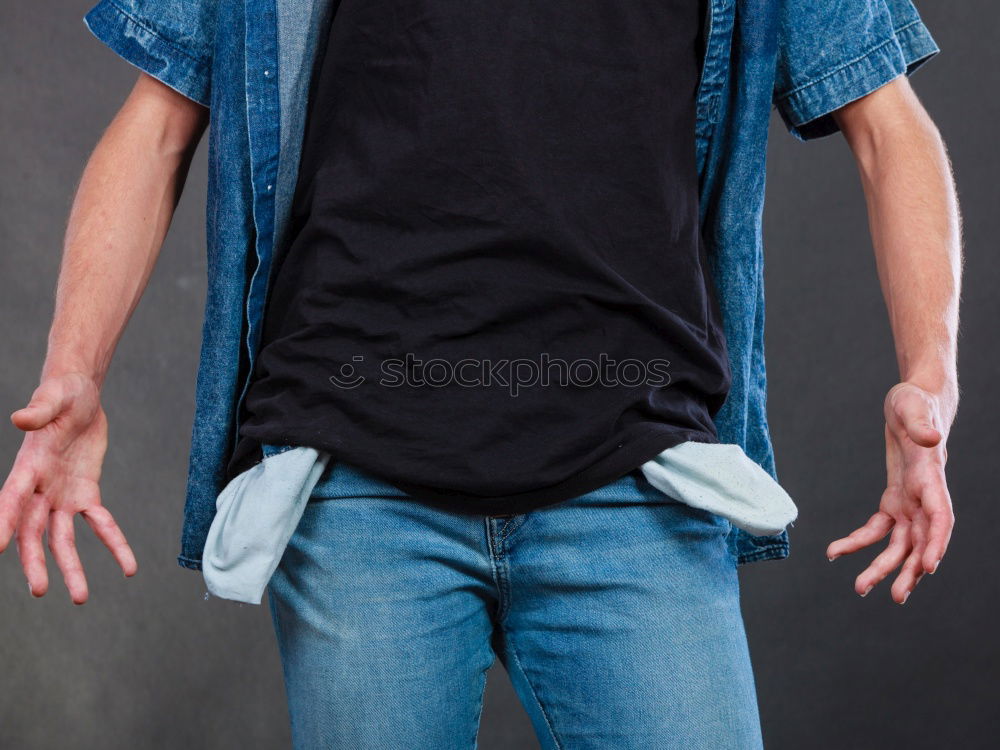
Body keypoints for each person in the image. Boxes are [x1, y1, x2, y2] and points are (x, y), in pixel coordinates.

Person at [0, 0, 959, 748]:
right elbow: (158, 118)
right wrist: (73, 370)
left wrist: (931, 376)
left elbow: (889, 124)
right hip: (355, 482)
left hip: (641, 478)